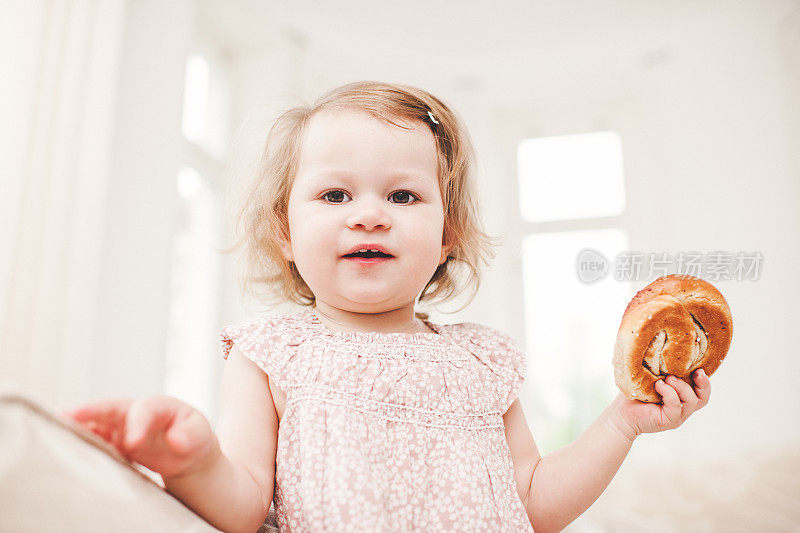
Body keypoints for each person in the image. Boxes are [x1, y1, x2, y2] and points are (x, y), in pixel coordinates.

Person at [63, 81, 711, 532]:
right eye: (335, 196)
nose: (369, 215)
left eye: (403, 196)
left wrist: (622, 422)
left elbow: (533, 504)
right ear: (284, 230)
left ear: (447, 234)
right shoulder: (271, 353)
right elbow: (242, 504)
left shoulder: (480, 360)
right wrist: (194, 461)